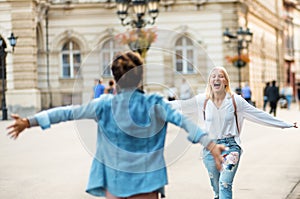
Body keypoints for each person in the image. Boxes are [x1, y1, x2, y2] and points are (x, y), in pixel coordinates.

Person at [6, 51, 225, 199]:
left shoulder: (103, 105)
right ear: (140, 77)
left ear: (115, 78)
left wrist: (29, 122)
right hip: (148, 184)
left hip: (115, 183)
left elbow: (65, 113)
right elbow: (185, 123)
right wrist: (210, 144)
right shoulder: (155, 104)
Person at [170, 66, 297, 199]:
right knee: (217, 189)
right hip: (210, 149)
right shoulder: (203, 100)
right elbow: (181, 105)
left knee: (225, 184)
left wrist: (285, 124)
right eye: (213, 76)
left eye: (220, 76)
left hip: (231, 147)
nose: (217, 78)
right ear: (209, 82)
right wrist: (153, 103)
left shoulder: (236, 101)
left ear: (226, 81)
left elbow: (259, 115)